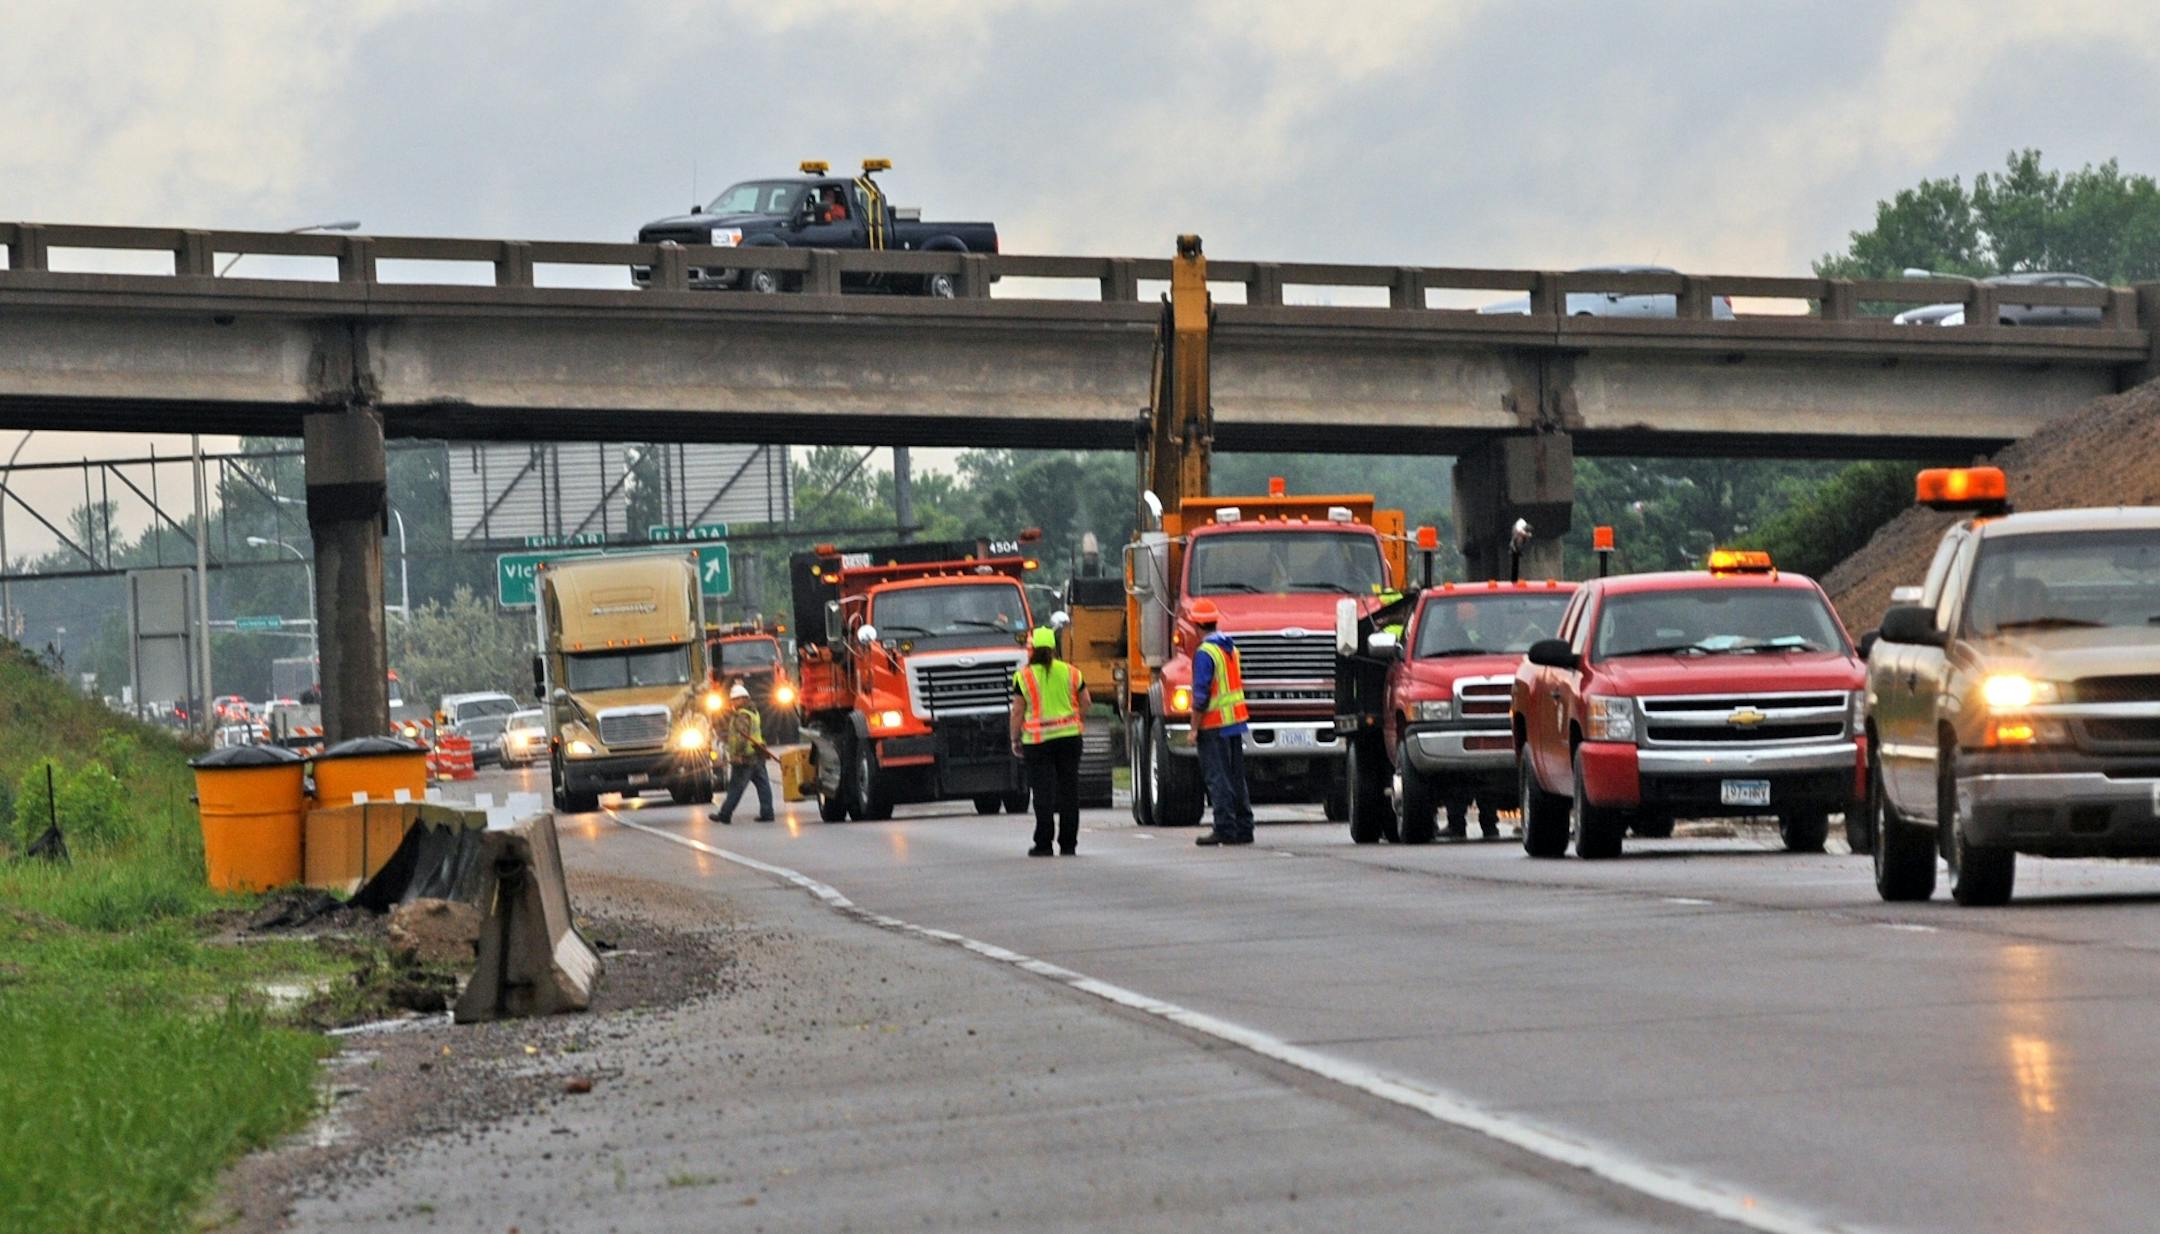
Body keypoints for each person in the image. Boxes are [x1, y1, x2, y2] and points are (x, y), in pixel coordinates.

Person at [1009, 627, 1090, 857]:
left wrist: (1015, 738)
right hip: (1069, 740)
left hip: (1037, 742)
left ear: (1031, 649)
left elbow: (1017, 711)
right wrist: (1077, 722)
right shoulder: (1071, 672)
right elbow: (1086, 701)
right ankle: (1068, 844)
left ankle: (1044, 843)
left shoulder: (1023, 677)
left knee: (1043, 794)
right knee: (1069, 792)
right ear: (1054, 648)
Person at [1188, 600, 1255, 847]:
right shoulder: (1229, 648)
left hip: (1214, 725)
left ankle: (1225, 828)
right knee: (1236, 777)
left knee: (1218, 778)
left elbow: (1201, 695)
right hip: (1234, 722)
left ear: (1196, 625)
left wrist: (1194, 728)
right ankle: (1244, 827)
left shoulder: (1205, 652)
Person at [709, 681, 774, 824]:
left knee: (735, 788)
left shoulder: (742, 715)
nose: (733, 702)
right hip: (757, 755)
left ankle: (725, 814)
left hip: (745, 758)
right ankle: (767, 812)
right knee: (763, 785)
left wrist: (737, 755)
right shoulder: (753, 712)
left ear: (744, 699)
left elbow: (741, 737)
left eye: (735, 699)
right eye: (732, 700)